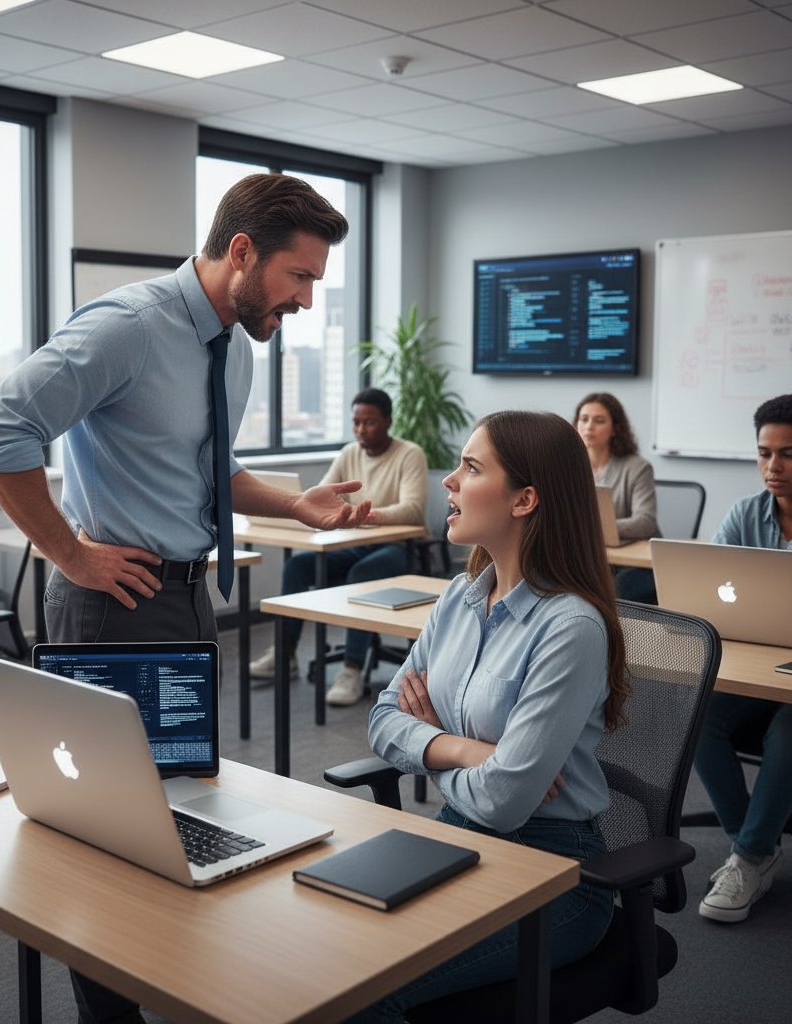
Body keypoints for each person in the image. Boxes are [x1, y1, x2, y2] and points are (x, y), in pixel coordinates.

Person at [0, 173, 368, 1024]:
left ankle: (169, 981)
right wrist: (67, 551)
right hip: (113, 604)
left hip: (190, 601)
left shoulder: (238, 345)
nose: (305, 300)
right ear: (243, 252)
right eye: (299, 278)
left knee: (181, 803)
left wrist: (294, 502)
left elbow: (205, 469)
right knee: (106, 823)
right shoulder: (130, 326)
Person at [354, 410, 630, 1022]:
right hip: (455, 837)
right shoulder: (458, 597)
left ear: (525, 499)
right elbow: (379, 718)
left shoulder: (570, 628)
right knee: (323, 948)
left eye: (471, 468)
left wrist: (430, 742)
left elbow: (508, 802)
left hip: (556, 871)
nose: (447, 482)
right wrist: (465, 750)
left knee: (362, 990)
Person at [694, 393, 792, 924]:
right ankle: (754, 849)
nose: (772, 467)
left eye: (788, 454)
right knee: (699, 717)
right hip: (761, 662)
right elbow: (708, 587)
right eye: (764, 453)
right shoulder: (743, 513)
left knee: (787, 734)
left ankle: (750, 856)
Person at [248, 387, 427, 705]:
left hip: (400, 547)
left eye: (369, 422)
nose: (360, 430)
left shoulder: (409, 453)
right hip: (355, 542)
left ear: (387, 421)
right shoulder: (349, 453)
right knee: (297, 565)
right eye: (356, 422)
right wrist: (335, 513)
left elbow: (412, 509)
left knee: (362, 574)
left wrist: (362, 516)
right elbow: (324, 493)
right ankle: (285, 654)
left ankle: (352, 668)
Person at [573, 391, 659, 602]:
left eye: (599, 420)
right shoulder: (570, 466)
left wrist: (592, 528)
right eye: (583, 419)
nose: (589, 426)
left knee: (610, 593)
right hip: (587, 557)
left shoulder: (637, 468)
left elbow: (646, 522)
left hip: (630, 563)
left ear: (615, 428)